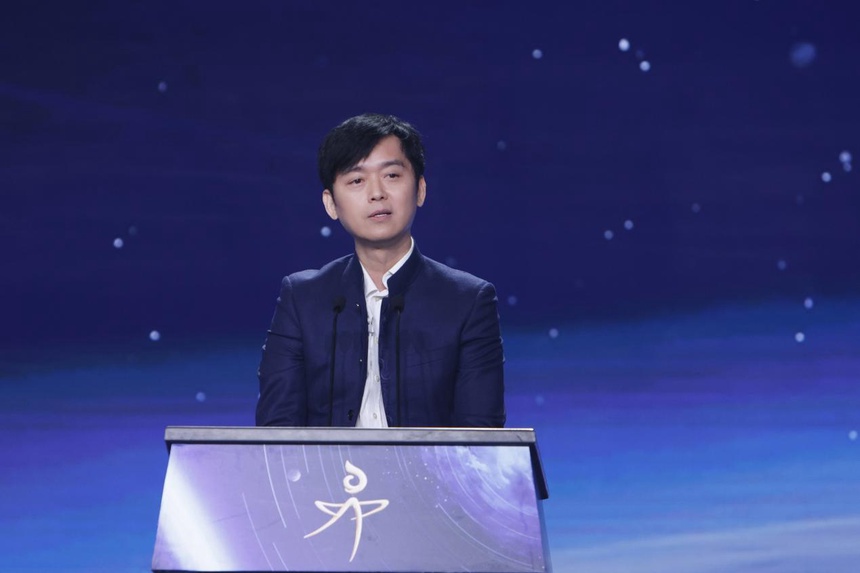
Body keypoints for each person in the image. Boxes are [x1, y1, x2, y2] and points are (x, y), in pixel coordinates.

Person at [256, 113, 505, 428]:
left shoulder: (467, 300)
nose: (376, 193)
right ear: (331, 204)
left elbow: (481, 437)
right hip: (326, 463)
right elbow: (277, 431)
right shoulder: (302, 298)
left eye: (391, 175)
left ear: (420, 189)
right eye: (356, 180)